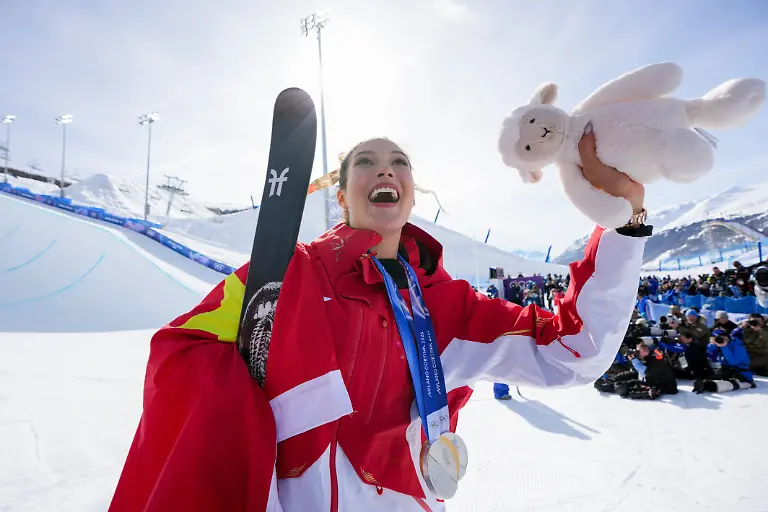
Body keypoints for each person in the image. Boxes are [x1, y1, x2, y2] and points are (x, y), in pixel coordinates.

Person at [109, 135, 650, 511]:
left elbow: (574, 350)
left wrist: (626, 219)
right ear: (342, 196)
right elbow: (181, 349)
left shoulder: (450, 306)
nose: (386, 169)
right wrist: (274, 402)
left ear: (411, 192)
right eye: (366, 162)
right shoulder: (285, 273)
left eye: (400, 162)